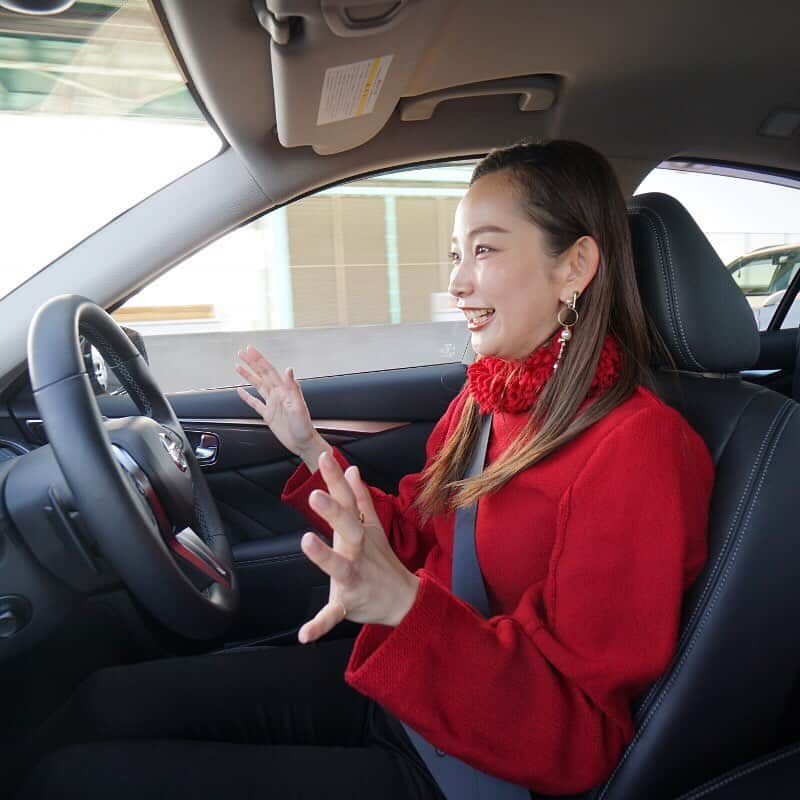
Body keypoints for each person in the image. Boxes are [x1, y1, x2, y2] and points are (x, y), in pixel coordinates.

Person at [17, 140, 713, 799]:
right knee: (103, 702)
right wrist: (310, 449)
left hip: (465, 766)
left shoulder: (639, 447)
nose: (457, 279)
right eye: (454, 253)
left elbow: (583, 734)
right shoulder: (489, 398)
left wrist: (406, 608)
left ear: (574, 266)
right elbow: (410, 541)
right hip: (407, 688)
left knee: (78, 782)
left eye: (485, 250)